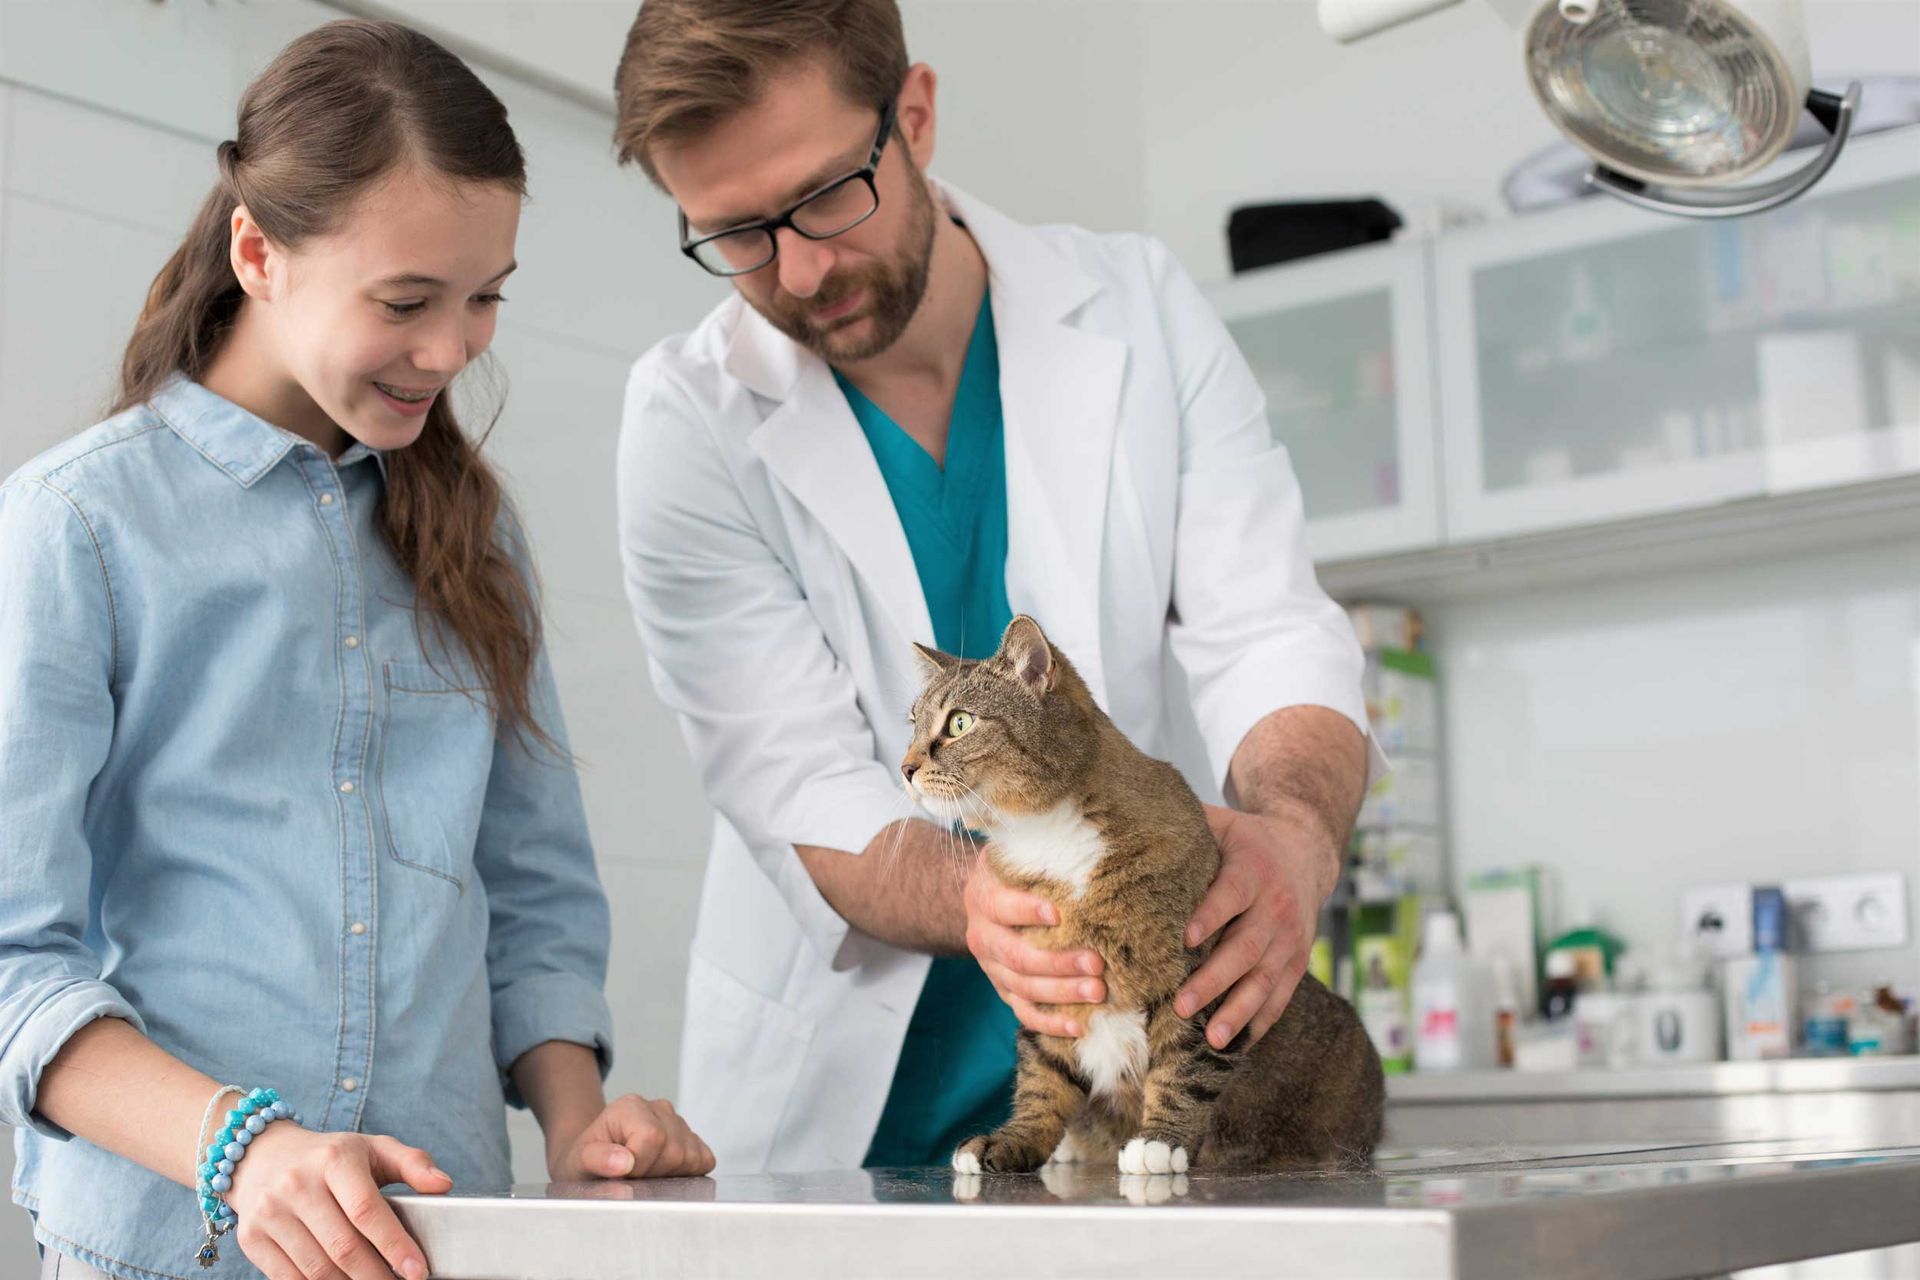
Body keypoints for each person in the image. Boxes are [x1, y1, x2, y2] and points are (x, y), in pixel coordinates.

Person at [613, 0, 1384, 1174]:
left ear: (913, 116)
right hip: (840, 1117)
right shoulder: (688, 422)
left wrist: (1294, 838)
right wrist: (987, 890)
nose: (802, 269)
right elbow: (796, 778)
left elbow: (1267, 628)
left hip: (1143, 1111)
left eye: (827, 195)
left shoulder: (1140, 311)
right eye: (737, 234)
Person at [0, 20, 711, 1280]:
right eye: (405, 301)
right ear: (258, 251)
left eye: (486, 295)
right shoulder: (78, 527)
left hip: (439, 1245)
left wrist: (579, 1126)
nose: (452, 349)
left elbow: (534, 899)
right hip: (164, 1255)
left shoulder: (475, 539)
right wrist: (245, 1149)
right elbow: (15, 966)